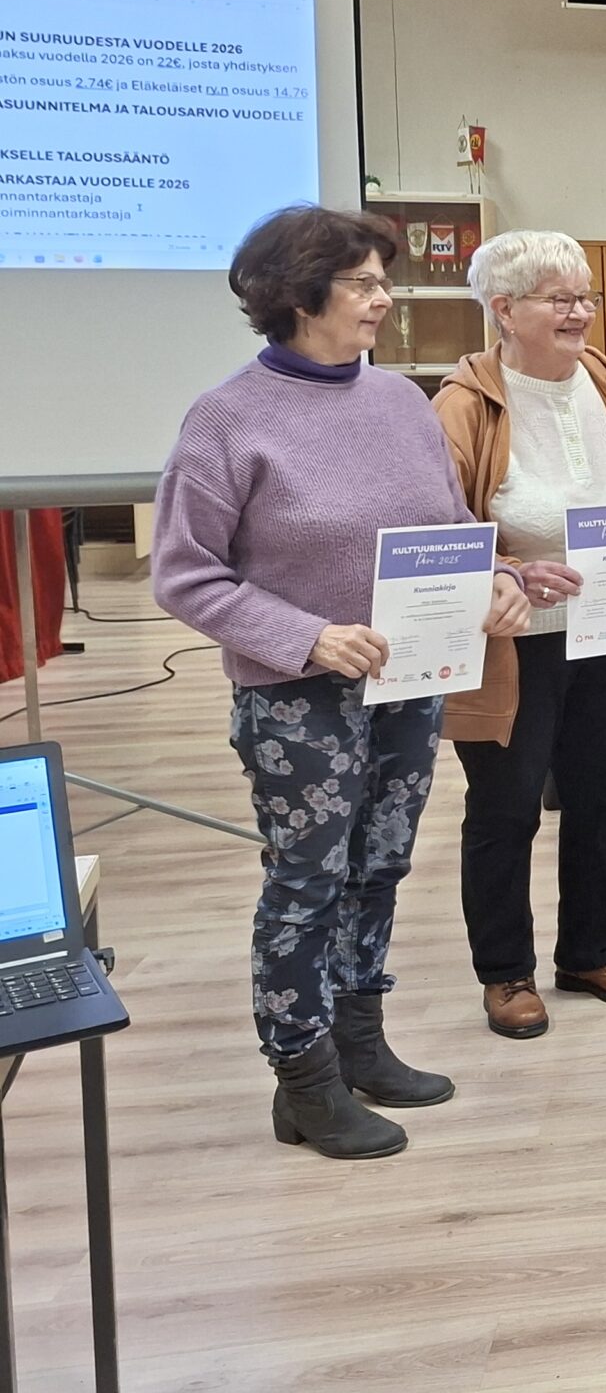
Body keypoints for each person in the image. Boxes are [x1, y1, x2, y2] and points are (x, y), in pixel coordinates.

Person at [154, 205, 529, 1160]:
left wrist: (495, 577)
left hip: (411, 681)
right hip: (295, 695)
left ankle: (360, 1042)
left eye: (381, 281)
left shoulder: (400, 402)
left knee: (381, 865)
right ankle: (303, 1077)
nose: (383, 299)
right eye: (363, 283)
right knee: (307, 880)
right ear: (297, 294)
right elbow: (185, 574)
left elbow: (448, 527)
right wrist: (307, 637)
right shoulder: (227, 418)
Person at [435, 230, 606, 1040]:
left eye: (585, 297)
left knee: (605, 795)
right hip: (514, 643)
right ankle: (505, 971)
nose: (580, 313)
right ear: (503, 309)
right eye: (559, 299)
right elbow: (439, 530)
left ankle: (591, 950)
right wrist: (508, 569)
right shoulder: (462, 405)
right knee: (506, 809)